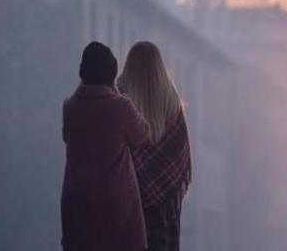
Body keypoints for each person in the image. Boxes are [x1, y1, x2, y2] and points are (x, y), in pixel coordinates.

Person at [61, 41, 149, 251]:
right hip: (115, 202)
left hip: (78, 201)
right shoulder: (120, 106)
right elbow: (142, 134)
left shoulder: (70, 107)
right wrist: (120, 96)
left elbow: (67, 137)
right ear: (112, 74)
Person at [118, 41, 192, 251]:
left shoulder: (119, 101)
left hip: (127, 210)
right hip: (165, 215)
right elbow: (181, 162)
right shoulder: (172, 105)